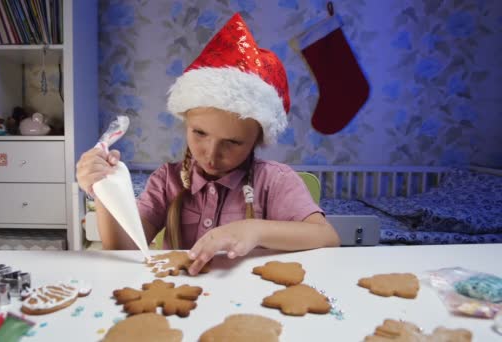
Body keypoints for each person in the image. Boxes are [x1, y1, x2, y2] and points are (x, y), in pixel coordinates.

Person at [76, 13, 340, 275]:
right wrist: (104, 188)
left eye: (233, 142)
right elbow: (122, 250)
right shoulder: (166, 181)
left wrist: (254, 230)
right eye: (200, 133)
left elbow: (327, 236)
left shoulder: (275, 182)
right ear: (185, 123)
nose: (211, 155)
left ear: (256, 141)